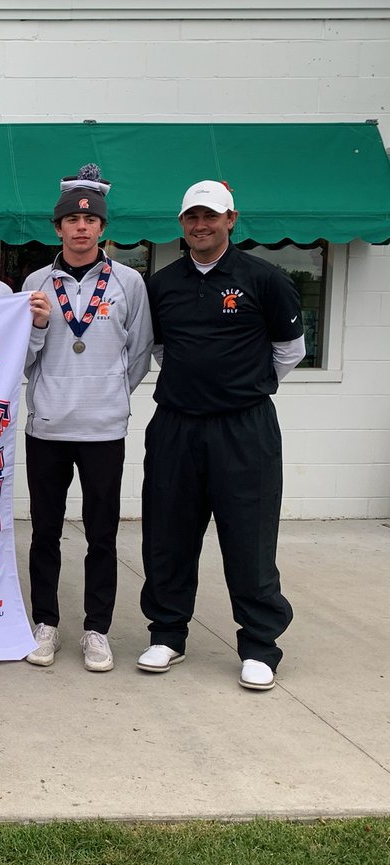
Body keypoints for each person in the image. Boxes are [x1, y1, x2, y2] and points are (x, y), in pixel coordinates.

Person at [138, 179, 304, 691]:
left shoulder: (265, 278)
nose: (200, 226)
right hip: (176, 427)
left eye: (211, 217)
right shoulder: (162, 284)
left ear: (231, 219)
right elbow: (162, 350)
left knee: (249, 538)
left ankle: (259, 646)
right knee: (167, 535)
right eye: (192, 217)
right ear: (181, 223)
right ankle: (167, 634)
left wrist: (244, 388)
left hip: (244, 429)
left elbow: (290, 350)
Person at [21, 164, 153, 673]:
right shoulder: (36, 282)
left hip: (103, 430)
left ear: (102, 227)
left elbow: (140, 351)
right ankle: (47, 624)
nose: (81, 228)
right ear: (57, 228)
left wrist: (111, 394)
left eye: (91, 220)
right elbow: (24, 359)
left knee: (102, 535)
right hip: (48, 428)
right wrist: (36, 328)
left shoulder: (129, 282)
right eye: (71, 221)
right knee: (45, 532)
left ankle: (96, 629)